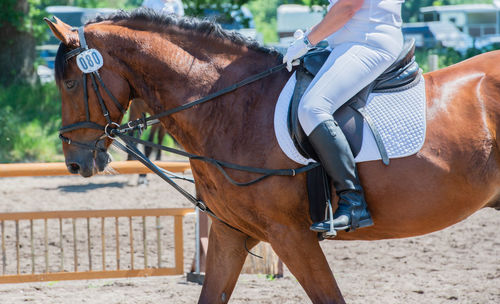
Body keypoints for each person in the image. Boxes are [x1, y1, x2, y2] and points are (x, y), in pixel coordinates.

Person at [283, 0, 404, 232]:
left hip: (368, 43)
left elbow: (348, 7)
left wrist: (308, 41)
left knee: (312, 108)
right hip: (347, 43)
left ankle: (353, 202)